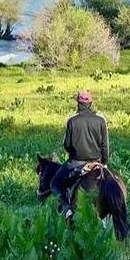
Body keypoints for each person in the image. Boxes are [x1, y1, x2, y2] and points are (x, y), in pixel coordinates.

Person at [50, 90, 109, 219]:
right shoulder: (101, 120)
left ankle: (67, 208)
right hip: (96, 161)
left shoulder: (72, 121)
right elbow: (105, 145)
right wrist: (103, 162)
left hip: (76, 162)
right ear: (91, 104)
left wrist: (74, 153)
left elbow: (66, 144)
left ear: (78, 103)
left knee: (55, 182)